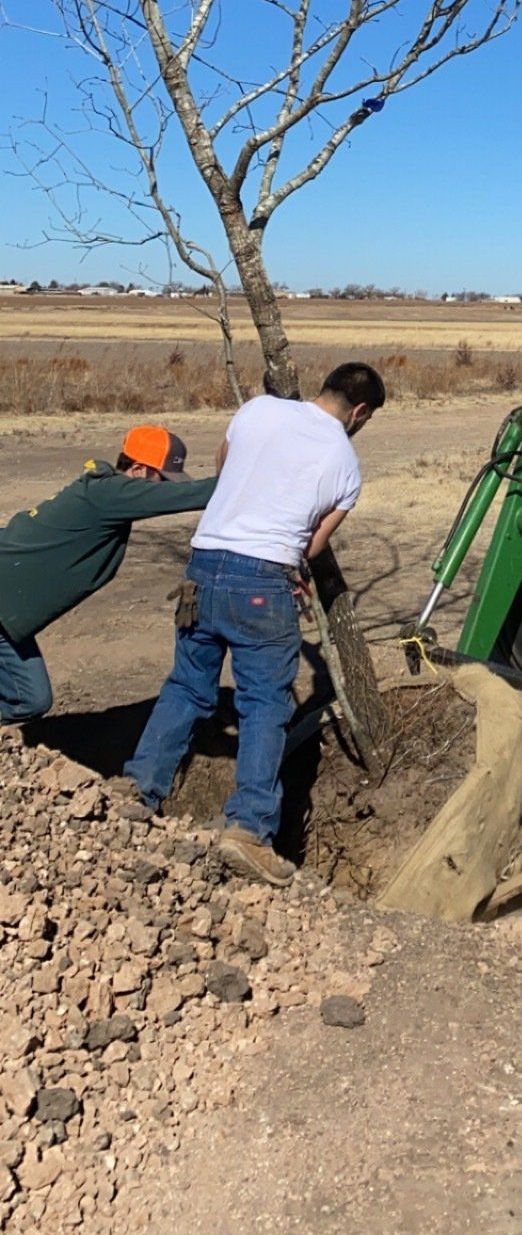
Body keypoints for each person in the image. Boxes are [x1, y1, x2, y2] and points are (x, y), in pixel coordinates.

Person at [125, 361, 386, 887]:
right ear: (359, 412)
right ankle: (247, 828)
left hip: (202, 566)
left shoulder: (257, 409)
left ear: (325, 387)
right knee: (266, 702)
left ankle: (136, 791)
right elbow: (312, 545)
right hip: (264, 583)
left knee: (187, 686)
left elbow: (225, 472)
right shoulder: (347, 464)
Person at [0, 428, 215, 727]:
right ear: (138, 470)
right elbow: (194, 494)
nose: (163, 490)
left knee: (30, 698)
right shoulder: (110, 493)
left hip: (7, 615)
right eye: (161, 481)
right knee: (28, 697)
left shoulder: (106, 497)